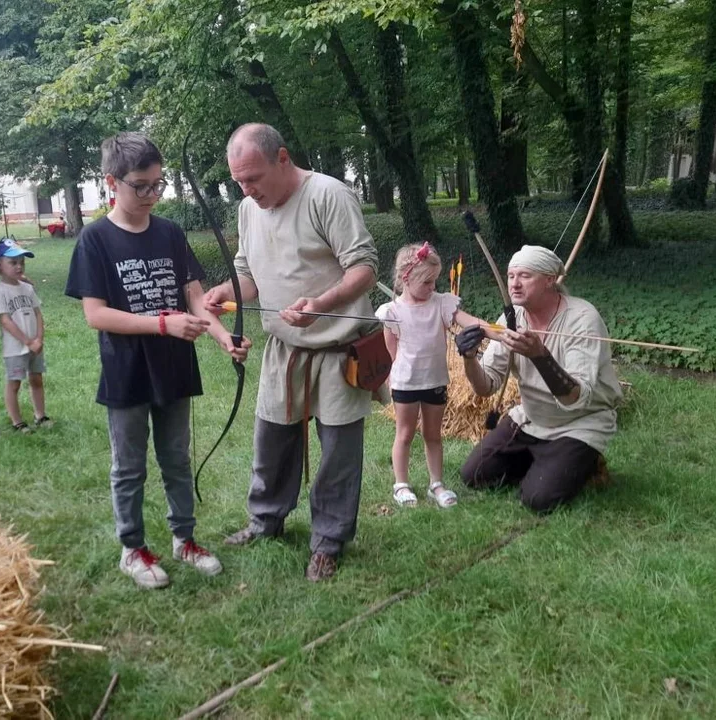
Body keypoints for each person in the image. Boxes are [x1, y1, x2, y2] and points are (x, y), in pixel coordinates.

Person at [65, 132, 251, 590]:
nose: (151, 194)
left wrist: (223, 338)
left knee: (176, 459)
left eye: (158, 185)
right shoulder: (96, 239)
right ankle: (132, 549)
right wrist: (161, 324)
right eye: (141, 186)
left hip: (173, 367)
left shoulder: (168, 232)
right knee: (129, 466)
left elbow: (193, 297)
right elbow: (96, 314)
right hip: (127, 370)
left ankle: (184, 539)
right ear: (112, 182)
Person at [204, 123, 379, 582]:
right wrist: (226, 290)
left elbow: (364, 267)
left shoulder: (328, 195)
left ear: (282, 158)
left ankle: (328, 540)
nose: (247, 189)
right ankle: (266, 521)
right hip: (284, 348)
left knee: (339, 452)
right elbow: (249, 276)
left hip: (338, 350)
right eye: (239, 180)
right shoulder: (247, 209)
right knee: (272, 441)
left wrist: (321, 304)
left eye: (254, 177)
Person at [455, 245, 622, 511]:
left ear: (549, 280)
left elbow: (574, 397)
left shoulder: (582, 318)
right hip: (532, 417)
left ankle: (583, 462)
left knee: (538, 500)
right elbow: (486, 386)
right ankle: (546, 463)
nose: (514, 284)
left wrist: (539, 355)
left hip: (579, 422)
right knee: (473, 475)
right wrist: (469, 356)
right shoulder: (513, 317)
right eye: (511, 276)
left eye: (525, 276)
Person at [375, 241, 495, 508]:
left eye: (434, 281)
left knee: (433, 434)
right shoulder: (392, 312)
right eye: (427, 282)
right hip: (406, 382)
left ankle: (436, 484)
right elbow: (391, 352)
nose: (432, 287)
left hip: (435, 380)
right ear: (406, 279)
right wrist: (393, 378)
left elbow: (470, 321)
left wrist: (498, 330)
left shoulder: (441, 303)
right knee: (404, 433)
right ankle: (401, 484)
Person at [0, 238, 51, 432]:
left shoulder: (27, 287)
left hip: (35, 344)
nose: (19, 266)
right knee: (14, 383)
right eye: (13, 262)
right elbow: (5, 321)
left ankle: (40, 416)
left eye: (22, 262)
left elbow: (37, 313)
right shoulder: (0, 291)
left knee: (37, 379)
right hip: (15, 348)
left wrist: (39, 339)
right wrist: (27, 341)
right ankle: (17, 422)